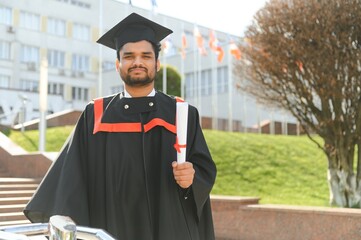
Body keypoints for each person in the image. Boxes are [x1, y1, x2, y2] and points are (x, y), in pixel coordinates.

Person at [24, 12, 217, 240]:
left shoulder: (182, 114)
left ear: (156, 62)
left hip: (167, 229)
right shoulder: (95, 115)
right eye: (129, 56)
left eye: (146, 56)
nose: (137, 62)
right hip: (110, 230)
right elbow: (70, 180)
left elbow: (204, 172)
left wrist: (191, 179)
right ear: (118, 64)